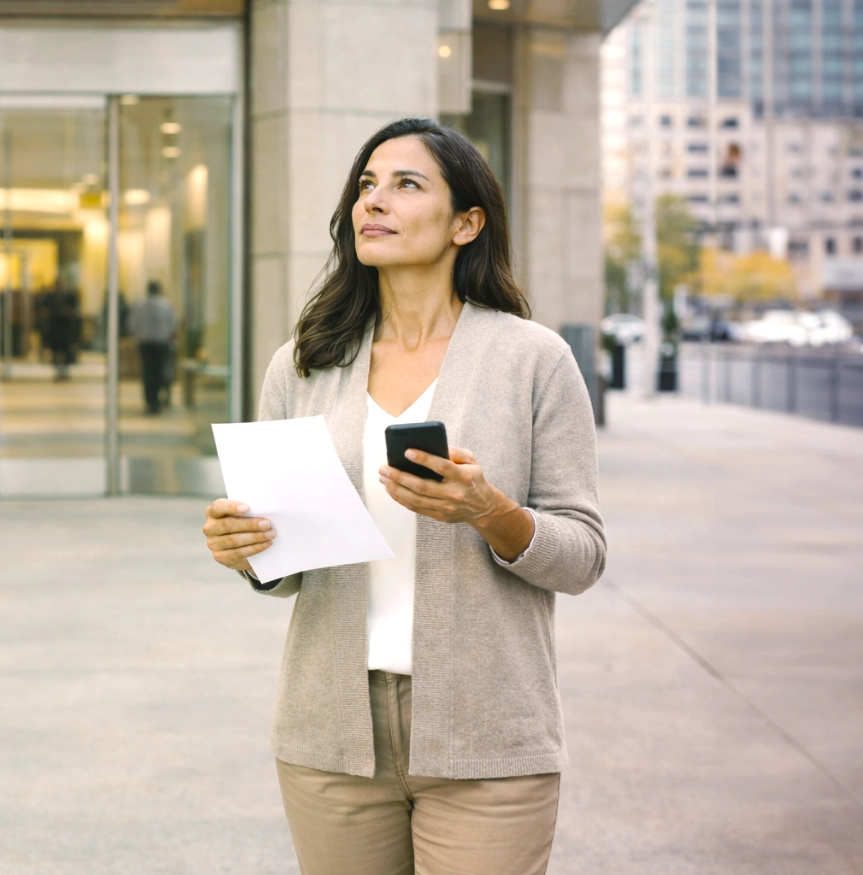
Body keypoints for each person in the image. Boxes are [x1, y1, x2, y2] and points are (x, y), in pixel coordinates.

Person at [201, 118, 605, 875]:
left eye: (405, 184)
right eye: (365, 185)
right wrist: (245, 550)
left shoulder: (532, 360)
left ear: (467, 222)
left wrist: (492, 510)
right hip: (331, 736)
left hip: (489, 737)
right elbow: (284, 565)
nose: (373, 202)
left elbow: (582, 556)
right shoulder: (306, 362)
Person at [127, 281, 178, 414]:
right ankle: (160, 398)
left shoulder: (139, 305)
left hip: (145, 344)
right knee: (160, 370)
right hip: (162, 343)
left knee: (148, 372)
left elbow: (132, 325)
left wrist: (139, 335)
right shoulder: (166, 304)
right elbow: (173, 325)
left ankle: (151, 401)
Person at [40, 282, 81, 382]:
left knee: (66, 351)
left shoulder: (69, 296)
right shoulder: (50, 297)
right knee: (54, 351)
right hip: (54, 328)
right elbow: (44, 310)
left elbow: (74, 310)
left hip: (65, 328)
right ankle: (58, 371)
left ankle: (65, 371)